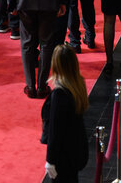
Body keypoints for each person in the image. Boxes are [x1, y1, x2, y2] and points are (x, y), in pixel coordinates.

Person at [41, 44, 89, 183]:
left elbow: (55, 131)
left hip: (63, 156)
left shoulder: (59, 94)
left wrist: (50, 160)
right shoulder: (77, 84)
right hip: (75, 150)